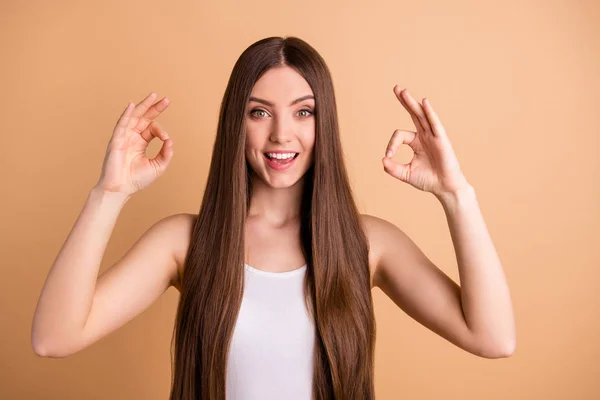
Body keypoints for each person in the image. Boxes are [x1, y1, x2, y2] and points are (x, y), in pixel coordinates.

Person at [31, 36, 516, 400]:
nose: (282, 134)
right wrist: (107, 194)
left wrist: (456, 194)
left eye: (303, 112)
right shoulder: (184, 242)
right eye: (259, 112)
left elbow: (493, 338)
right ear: (235, 124)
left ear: (323, 122)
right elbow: (54, 338)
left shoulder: (368, 244)